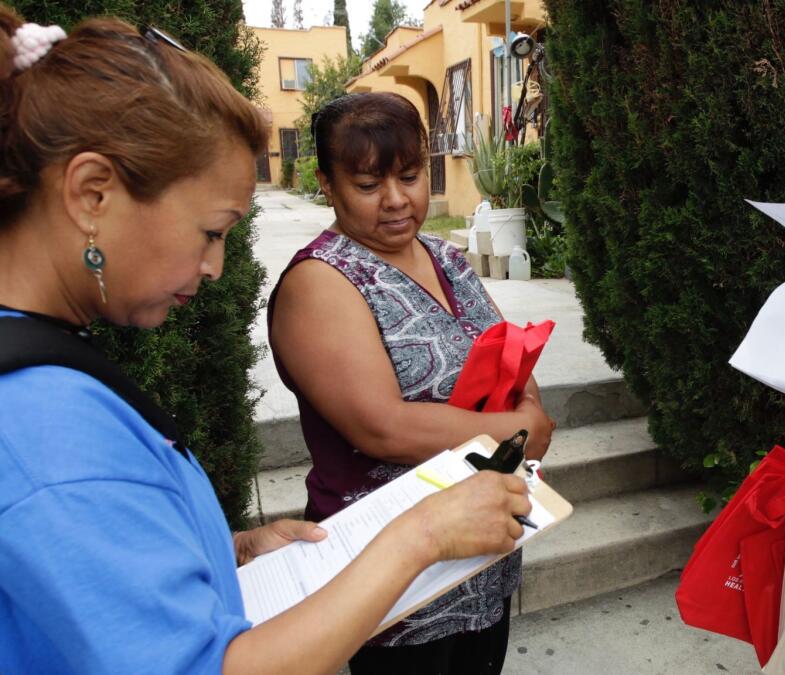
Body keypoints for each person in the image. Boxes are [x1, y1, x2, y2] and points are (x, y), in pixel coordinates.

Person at [0, 9, 532, 674]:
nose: (216, 265)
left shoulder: (42, 378)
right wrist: (418, 536)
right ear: (90, 193)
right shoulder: (46, 426)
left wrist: (227, 551)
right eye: (210, 231)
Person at [268, 92, 555, 674]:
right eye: (369, 185)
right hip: (392, 580)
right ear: (327, 184)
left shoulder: (442, 256)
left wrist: (528, 412)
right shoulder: (321, 281)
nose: (397, 201)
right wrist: (521, 429)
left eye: (411, 176)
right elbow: (382, 426)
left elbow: (508, 360)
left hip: (480, 555)